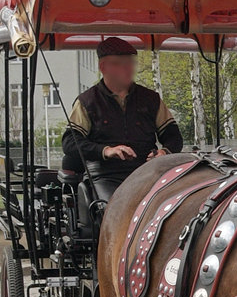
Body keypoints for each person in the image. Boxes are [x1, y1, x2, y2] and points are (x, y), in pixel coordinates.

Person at [62, 36, 183, 202]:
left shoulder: (150, 99)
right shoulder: (87, 101)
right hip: (106, 175)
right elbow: (70, 142)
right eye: (121, 64)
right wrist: (106, 151)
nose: (129, 69)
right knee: (113, 210)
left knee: (173, 206)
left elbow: (173, 136)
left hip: (147, 172)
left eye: (131, 63)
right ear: (103, 67)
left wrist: (164, 152)